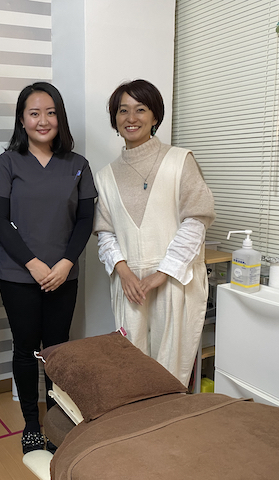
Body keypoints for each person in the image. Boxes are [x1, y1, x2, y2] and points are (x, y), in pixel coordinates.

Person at [0, 82, 97, 454]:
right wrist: (33, 264)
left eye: (50, 112)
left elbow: (85, 220)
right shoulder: (5, 164)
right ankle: (31, 424)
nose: (43, 120)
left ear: (59, 118)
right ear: (22, 120)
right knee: (25, 349)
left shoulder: (78, 165)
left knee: (57, 350)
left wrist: (66, 263)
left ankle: (56, 420)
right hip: (20, 277)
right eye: (34, 113)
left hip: (63, 276)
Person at [93, 79, 215, 387]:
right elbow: (105, 232)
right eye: (123, 110)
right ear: (115, 119)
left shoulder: (180, 161)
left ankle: (171, 418)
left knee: (171, 370)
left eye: (140, 109)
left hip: (174, 281)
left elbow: (196, 220)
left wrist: (161, 273)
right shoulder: (106, 176)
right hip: (130, 285)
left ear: (155, 116)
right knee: (132, 366)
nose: (131, 118)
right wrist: (124, 273)